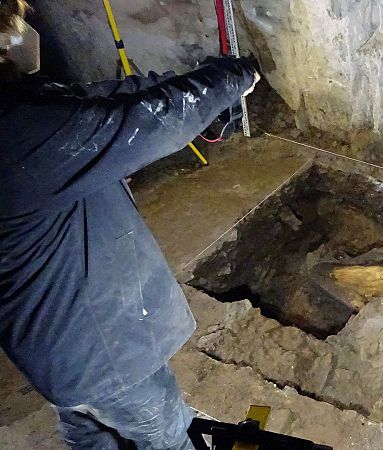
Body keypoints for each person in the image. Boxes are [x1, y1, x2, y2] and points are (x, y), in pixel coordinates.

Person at [0, 2, 261, 448]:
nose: (22, 33)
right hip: (102, 355)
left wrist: (190, 81)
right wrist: (230, 79)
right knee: (166, 434)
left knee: (88, 429)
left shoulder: (22, 112)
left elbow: (92, 101)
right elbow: (146, 123)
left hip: (49, 349)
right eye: (12, 26)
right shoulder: (19, 134)